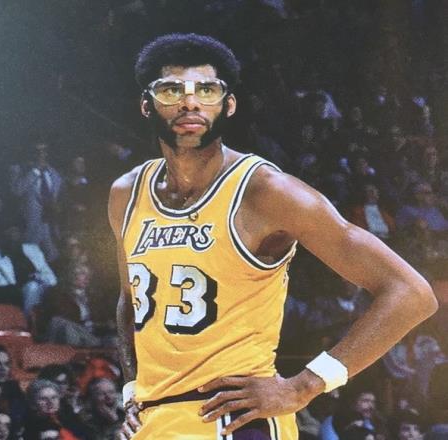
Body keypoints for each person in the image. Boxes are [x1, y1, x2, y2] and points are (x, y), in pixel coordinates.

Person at [108, 33, 437, 439]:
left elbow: (411, 293)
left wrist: (304, 385)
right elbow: (130, 300)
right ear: (147, 104)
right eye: (171, 90)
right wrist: (132, 388)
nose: (190, 103)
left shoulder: (267, 192)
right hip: (155, 421)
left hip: (235, 421)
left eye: (206, 90)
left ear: (228, 105)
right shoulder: (126, 193)